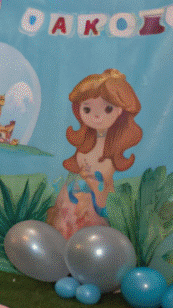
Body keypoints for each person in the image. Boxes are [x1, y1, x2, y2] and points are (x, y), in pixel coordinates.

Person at [48, 68, 143, 238]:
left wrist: (93, 190)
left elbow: (105, 184)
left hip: (96, 201)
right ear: (79, 110)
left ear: (120, 110)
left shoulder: (113, 148)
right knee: (64, 232)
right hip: (72, 198)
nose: (97, 116)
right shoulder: (87, 141)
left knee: (89, 238)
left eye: (107, 109)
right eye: (87, 110)